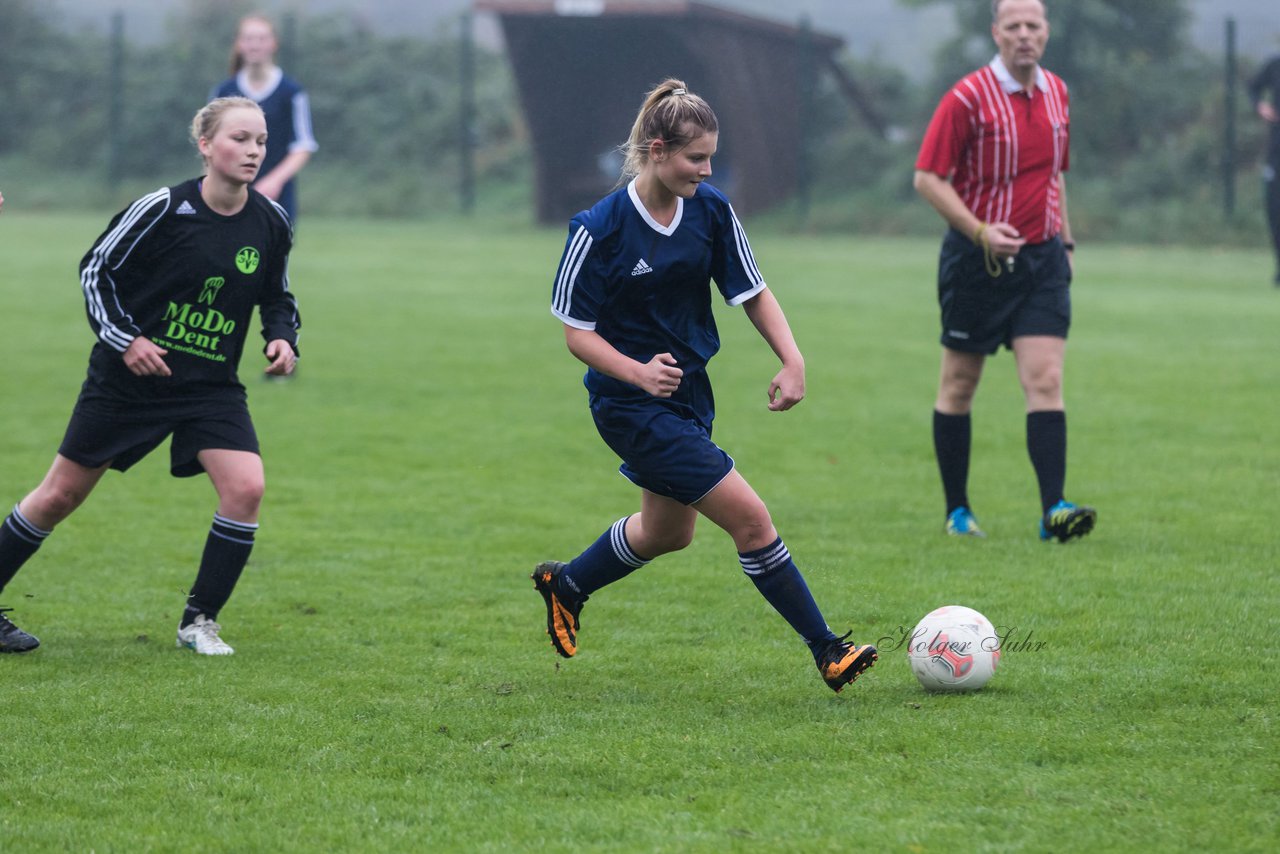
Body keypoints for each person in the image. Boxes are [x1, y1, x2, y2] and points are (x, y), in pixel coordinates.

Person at [532, 79, 878, 694]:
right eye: (697, 158)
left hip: (690, 394)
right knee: (751, 519)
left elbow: (752, 290)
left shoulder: (711, 210)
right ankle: (828, 649)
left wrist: (792, 357)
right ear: (657, 149)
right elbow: (575, 333)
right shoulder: (598, 228)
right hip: (629, 405)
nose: (707, 169)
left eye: (711, 157)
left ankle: (570, 584)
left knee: (669, 532)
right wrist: (637, 371)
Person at [0, 97, 300, 655]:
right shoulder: (163, 208)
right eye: (240, 138)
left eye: (260, 140)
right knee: (58, 496)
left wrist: (281, 337)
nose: (254, 150)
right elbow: (96, 269)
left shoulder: (270, 221)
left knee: (246, 488)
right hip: (129, 385)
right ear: (206, 145)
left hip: (209, 385)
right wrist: (126, 339)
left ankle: (198, 621)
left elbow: (276, 295)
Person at [913, 0, 1095, 542]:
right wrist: (980, 231)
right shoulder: (967, 97)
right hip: (977, 262)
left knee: (1046, 380)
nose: (1023, 35)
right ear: (996, 32)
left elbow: (1054, 176)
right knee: (959, 384)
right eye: (1012, 26)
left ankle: (1053, 511)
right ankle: (958, 511)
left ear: (1046, 31)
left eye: (1032, 25)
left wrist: (1064, 240)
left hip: (1043, 262)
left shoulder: (1059, 93)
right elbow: (927, 177)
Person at [211, 14, 318, 223]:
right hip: (230, 195)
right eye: (249, 38)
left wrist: (274, 181)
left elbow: (303, 146)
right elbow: (210, 146)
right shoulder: (223, 91)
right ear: (239, 44)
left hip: (276, 196)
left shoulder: (291, 92)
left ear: (273, 43)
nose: (255, 45)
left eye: (262, 38)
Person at [1247, 49, 1280, 285]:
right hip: (1276, 153)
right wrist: (1259, 105)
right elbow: (1252, 87)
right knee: (1275, 211)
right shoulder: (1275, 65)